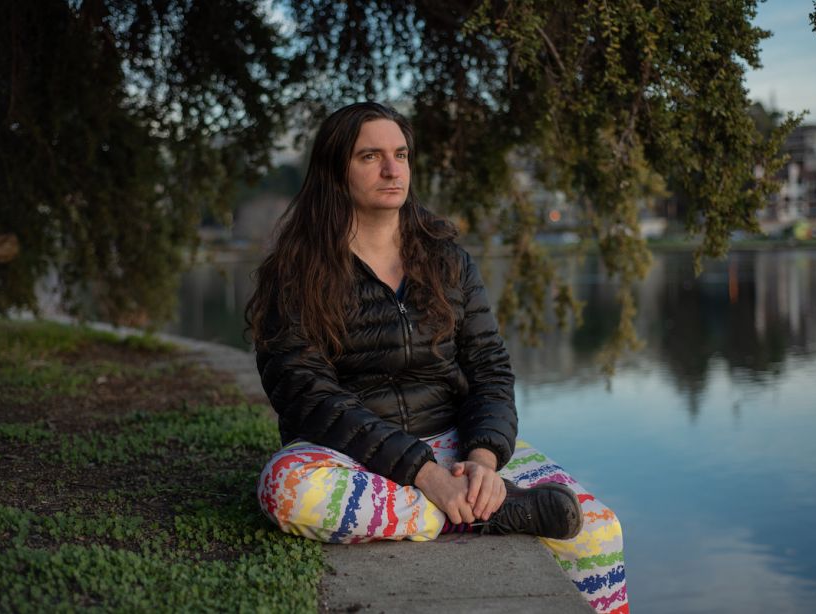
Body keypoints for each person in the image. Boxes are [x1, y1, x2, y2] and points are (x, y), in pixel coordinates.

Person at [245, 102, 628, 614]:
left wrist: (482, 461)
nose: (392, 169)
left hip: (454, 443)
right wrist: (428, 477)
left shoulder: (447, 260)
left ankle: (481, 503)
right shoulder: (294, 275)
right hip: (348, 455)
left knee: (599, 530)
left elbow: (490, 367)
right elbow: (308, 398)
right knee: (286, 490)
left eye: (400, 154)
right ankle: (483, 514)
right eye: (370, 156)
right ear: (336, 172)